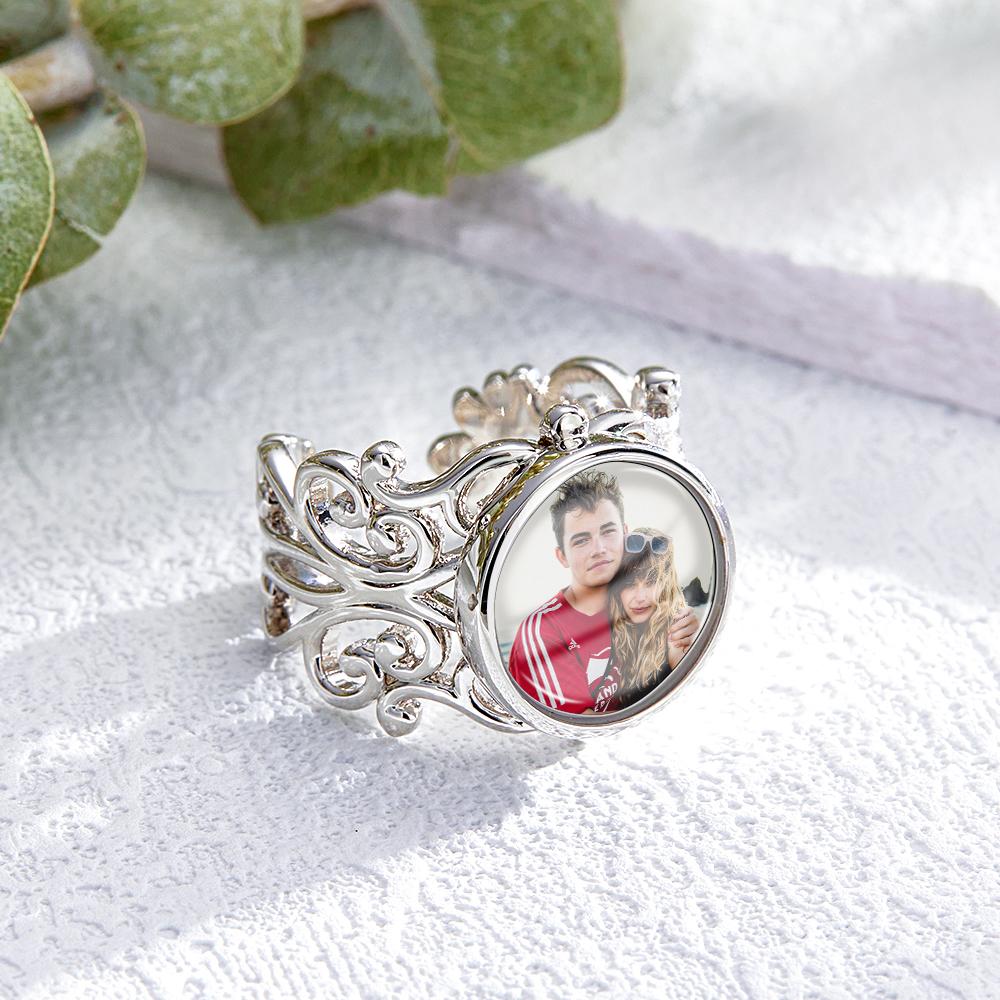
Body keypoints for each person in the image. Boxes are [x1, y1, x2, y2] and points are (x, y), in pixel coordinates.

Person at [507, 472, 697, 714]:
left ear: (625, 534)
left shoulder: (638, 608)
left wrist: (683, 655)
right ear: (562, 556)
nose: (599, 549)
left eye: (608, 532)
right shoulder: (545, 630)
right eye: (581, 540)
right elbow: (583, 726)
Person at [603, 528, 692, 712]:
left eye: (651, 582)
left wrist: (682, 658)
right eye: (629, 584)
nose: (640, 597)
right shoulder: (604, 631)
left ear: (666, 584)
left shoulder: (679, 630)